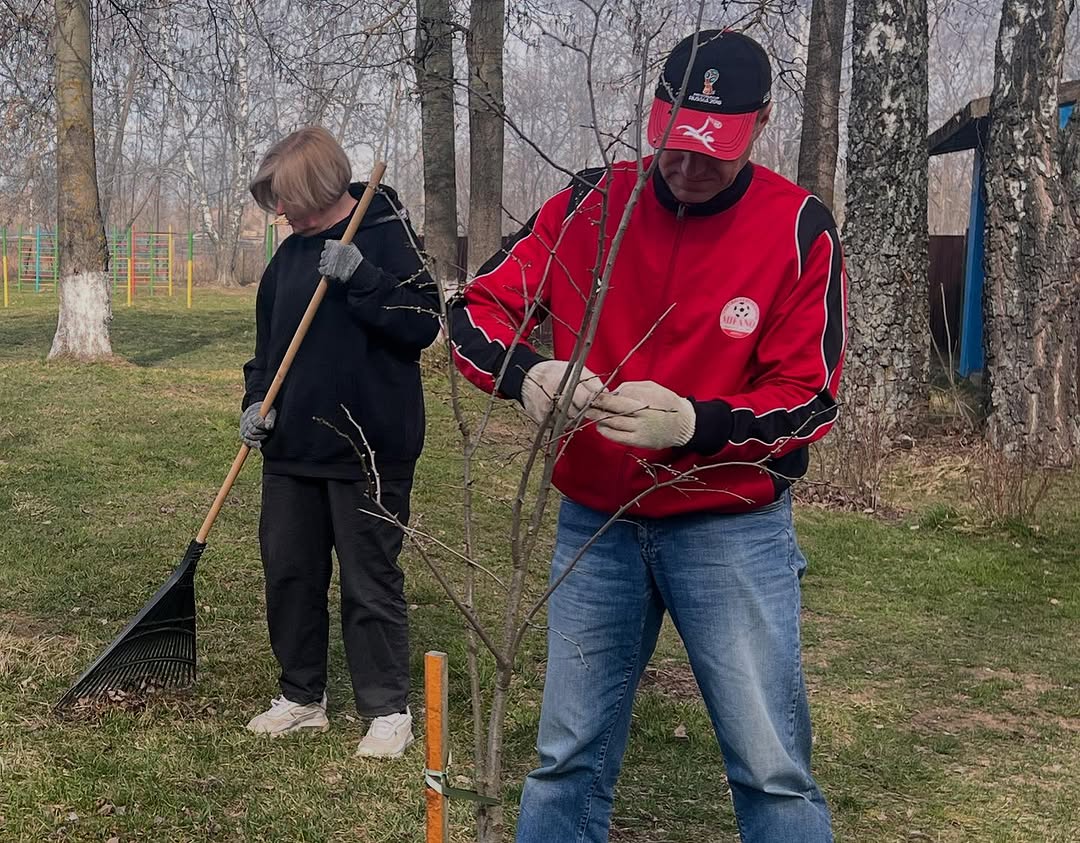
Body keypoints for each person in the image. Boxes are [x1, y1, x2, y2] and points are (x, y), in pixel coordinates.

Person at [450, 30, 845, 843]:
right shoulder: (588, 202)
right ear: (652, 115)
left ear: (761, 123)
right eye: (673, 143)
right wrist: (528, 373)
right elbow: (471, 311)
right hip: (596, 524)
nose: (688, 166)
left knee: (771, 768)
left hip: (731, 526)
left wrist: (697, 422)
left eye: (714, 152)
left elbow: (809, 398)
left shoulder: (797, 227)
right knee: (565, 756)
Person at [240, 126, 439, 758]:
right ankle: (302, 698)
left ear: (319, 188)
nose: (279, 212)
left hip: (368, 450)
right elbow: (268, 349)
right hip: (292, 447)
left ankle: (386, 710)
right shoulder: (287, 257)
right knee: (291, 575)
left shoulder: (381, 232)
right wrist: (254, 401)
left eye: (286, 198)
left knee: (368, 580)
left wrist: (363, 279)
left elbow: (424, 322)